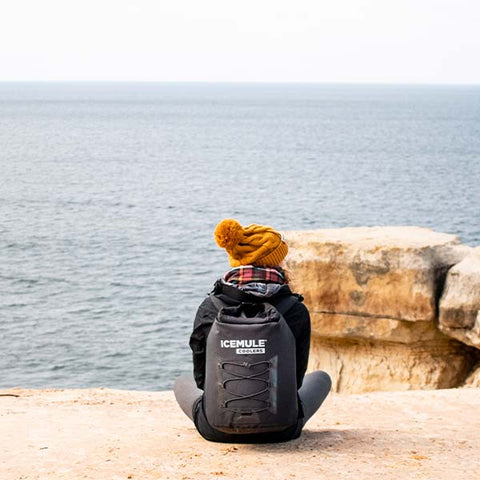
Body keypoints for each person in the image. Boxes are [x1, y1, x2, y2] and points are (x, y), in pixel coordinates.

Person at [174, 219, 331, 443]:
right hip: (282, 429)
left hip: (216, 429)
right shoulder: (295, 309)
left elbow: (201, 379)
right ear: (275, 261)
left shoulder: (211, 306)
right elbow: (295, 381)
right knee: (321, 378)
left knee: (181, 380)